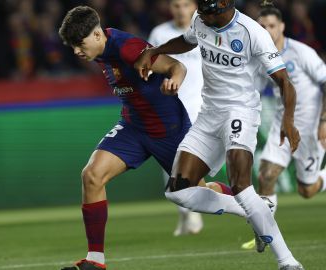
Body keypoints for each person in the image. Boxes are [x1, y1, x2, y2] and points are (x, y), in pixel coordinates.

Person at [58, 6, 248, 270]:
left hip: (168, 130)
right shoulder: (99, 52)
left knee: (199, 192)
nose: (77, 51)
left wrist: (175, 81)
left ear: (98, 35)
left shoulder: (127, 47)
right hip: (133, 128)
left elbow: (175, 65)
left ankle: (252, 203)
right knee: (92, 175)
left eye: (80, 44)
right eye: (72, 46)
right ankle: (95, 261)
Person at [134, 0, 304, 269]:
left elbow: (283, 80)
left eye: (206, 12)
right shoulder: (202, 20)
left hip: (240, 112)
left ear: (224, 6)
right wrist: (156, 50)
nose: (200, 16)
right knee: (177, 191)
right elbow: (188, 40)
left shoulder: (252, 32)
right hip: (208, 114)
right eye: (199, 11)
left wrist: (289, 121)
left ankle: (288, 262)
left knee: (240, 185)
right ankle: (256, 209)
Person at [241, 1, 326, 251]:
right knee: (266, 175)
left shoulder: (301, 52)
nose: (266, 30)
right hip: (282, 123)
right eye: (262, 26)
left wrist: (324, 121)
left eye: (271, 25)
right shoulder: (260, 57)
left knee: (307, 190)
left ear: (282, 27)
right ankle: (265, 233)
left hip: (310, 128)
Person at [148, 0, 205, 237]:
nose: (180, 9)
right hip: (170, 109)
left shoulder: (204, 30)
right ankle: (185, 213)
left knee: (190, 162)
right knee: (169, 165)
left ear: (194, 7)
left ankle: (194, 211)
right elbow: (149, 66)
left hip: (201, 109)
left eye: (184, 4)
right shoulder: (160, 33)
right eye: (175, 5)